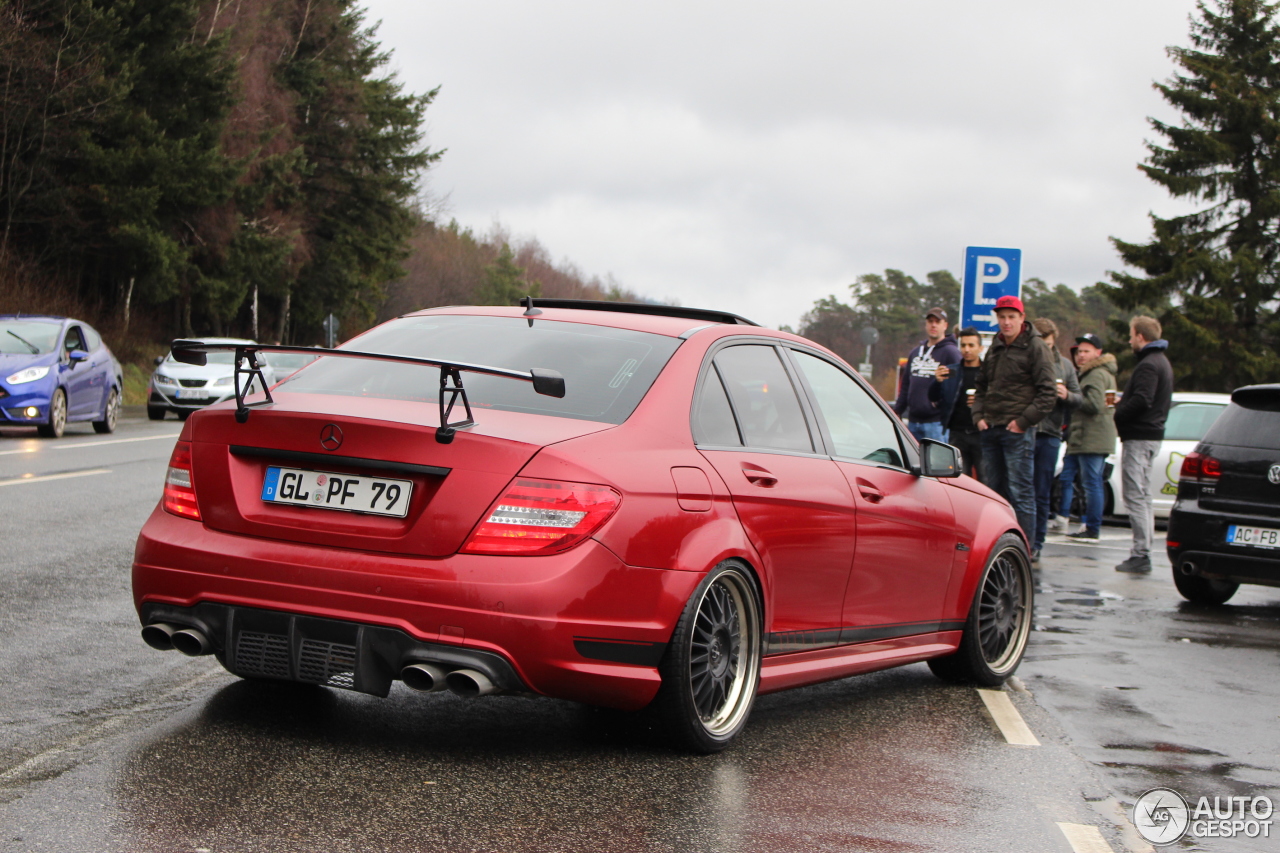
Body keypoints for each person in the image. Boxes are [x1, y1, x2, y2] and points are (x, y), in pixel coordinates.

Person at [971, 295, 1057, 551]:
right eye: (1002, 317)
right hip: (990, 428)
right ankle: (998, 548)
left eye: (1011, 317)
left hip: (1017, 431)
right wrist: (978, 417)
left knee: (1021, 493)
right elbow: (981, 386)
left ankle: (1026, 549)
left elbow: (1048, 393)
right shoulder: (995, 346)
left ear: (1022, 318)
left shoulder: (1036, 346)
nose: (1006, 322)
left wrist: (1022, 422)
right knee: (994, 494)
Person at [1112, 315, 1173, 573]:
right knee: (1144, 495)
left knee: (1135, 495)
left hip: (1140, 436)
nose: (1129, 340)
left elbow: (1142, 399)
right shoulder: (1161, 362)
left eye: (1131, 335)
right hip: (1150, 435)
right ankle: (1143, 550)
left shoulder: (1148, 365)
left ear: (1140, 336)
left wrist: (1120, 411)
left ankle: (1141, 554)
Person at [1058, 333, 1117, 540]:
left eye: (1086, 351)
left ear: (1098, 353)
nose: (1081, 356)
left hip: (1092, 437)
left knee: (1092, 483)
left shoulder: (1096, 374)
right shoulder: (1096, 373)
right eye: (1079, 351)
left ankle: (1092, 527)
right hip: (1084, 436)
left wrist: (1070, 397)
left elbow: (1095, 405)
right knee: (1073, 478)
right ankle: (1081, 522)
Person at [1030, 318, 1081, 560]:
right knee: (1020, 490)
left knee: (1041, 491)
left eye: (1049, 345)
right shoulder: (1026, 361)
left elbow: (1079, 399)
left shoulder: (1065, 366)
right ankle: (1022, 538)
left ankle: (1037, 543)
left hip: (1050, 433)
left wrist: (1067, 394)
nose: (1045, 349)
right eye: (1041, 344)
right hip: (1024, 430)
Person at [893, 307, 961, 443]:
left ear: (945, 325)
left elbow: (958, 385)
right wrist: (897, 411)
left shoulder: (951, 353)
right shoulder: (915, 353)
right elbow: (906, 385)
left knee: (937, 464)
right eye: (930, 321)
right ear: (926, 324)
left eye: (937, 322)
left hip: (936, 423)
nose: (933, 325)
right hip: (912, 422)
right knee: (913, 463)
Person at [929, 326, 984, 478]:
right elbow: (933, 398)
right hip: (957, 433)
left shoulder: (988, 372)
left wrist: (981, 401)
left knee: (986, 479)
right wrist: (937, 382)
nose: (967, 349)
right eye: (963, 345)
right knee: (959, 480)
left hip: (982, 434)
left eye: (971, 345)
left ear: (980, 348)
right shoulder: (951, 371)